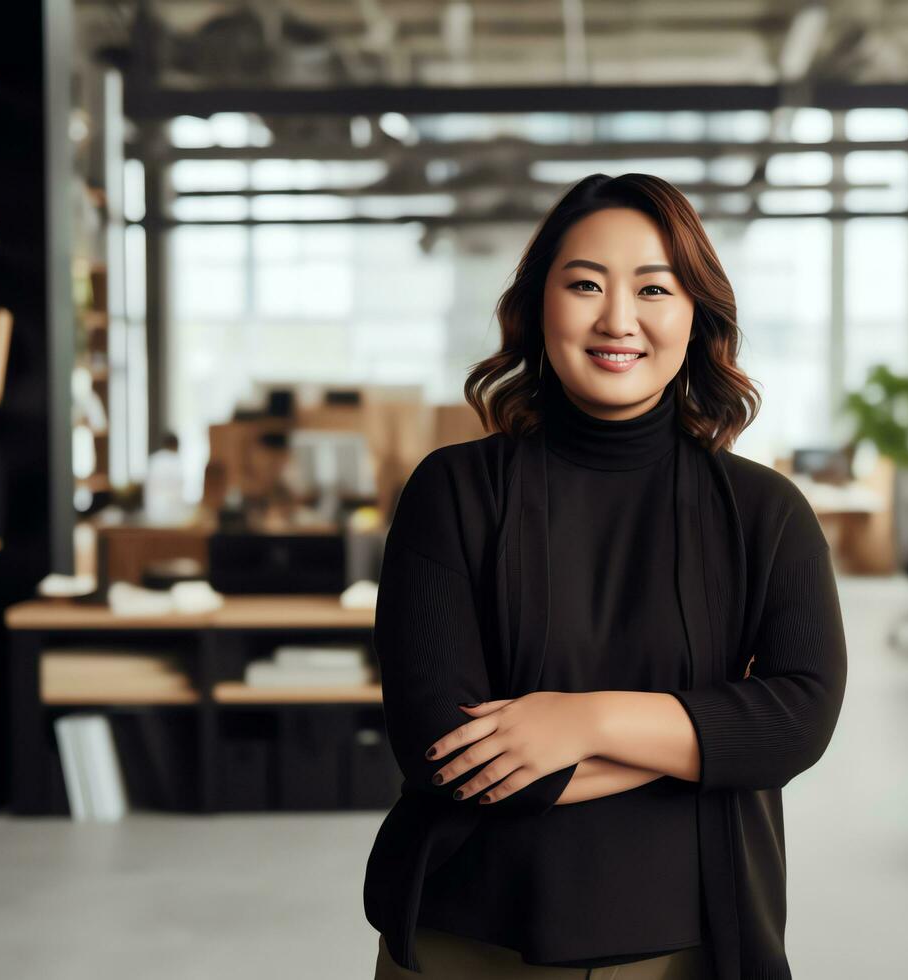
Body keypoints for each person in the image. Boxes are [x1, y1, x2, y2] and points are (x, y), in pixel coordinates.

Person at [364, 173, 849, 980]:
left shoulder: (767, 512)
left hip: (692, 942)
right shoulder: (451, 492)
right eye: (585, 284)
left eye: (653, 288)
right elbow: (443, 752)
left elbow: (797, 722)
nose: (617, 319)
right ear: (537, 307)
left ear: (696, 315)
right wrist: (707, 739)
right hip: (471, 941)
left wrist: (581, 722)